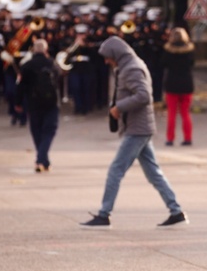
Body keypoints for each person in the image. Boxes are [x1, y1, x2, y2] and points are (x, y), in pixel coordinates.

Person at [80, 36, 188, 228]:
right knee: (153, 173)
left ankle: (104, 214)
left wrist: (118, 107)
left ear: (115, 54)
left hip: (137, 128)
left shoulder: (131, 68)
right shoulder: (128, 65)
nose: (106, 61)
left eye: (107, 57)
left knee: (116, 170)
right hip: (139, 126)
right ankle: (176, 211)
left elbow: (144, 95)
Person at [15, 39, 61, 173]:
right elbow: (59, 79)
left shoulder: (27, 65)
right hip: (52, 103)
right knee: (49, 131)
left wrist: (18, 103)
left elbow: (20, 86)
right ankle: (42, 160)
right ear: (46, 50)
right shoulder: (52, 63)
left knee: (37, 131)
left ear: (34, 50)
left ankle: (41, 159)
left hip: (33, 103)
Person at [161, 27, 195, 147]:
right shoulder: (190, 51)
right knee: (185, 113)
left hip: (172, 83)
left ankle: (170, 138)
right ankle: (188, 137)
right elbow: (192, 64)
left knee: (172, 113)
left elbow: (163, 64)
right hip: (186, 83)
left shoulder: (168, 50)